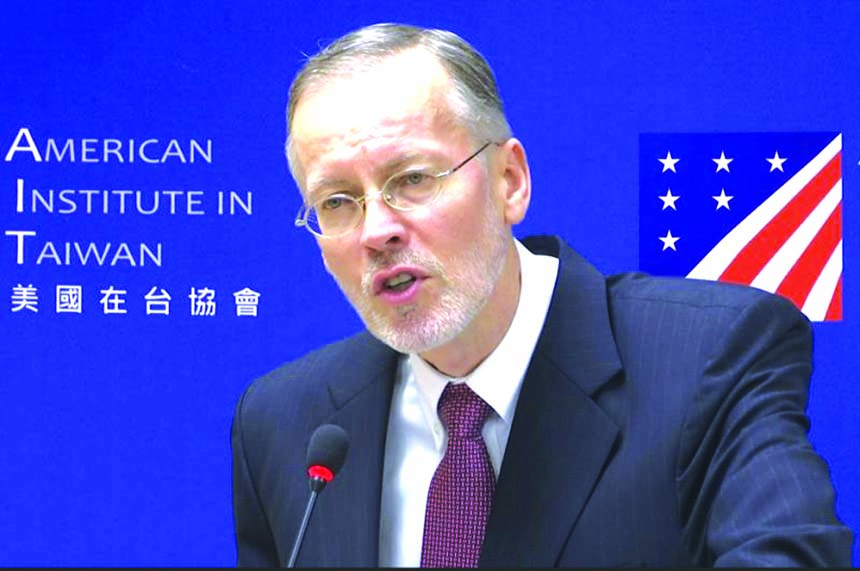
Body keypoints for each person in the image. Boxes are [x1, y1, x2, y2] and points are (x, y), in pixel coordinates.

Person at [230, 22, 854, 567]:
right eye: (337, 202)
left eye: (412, 179)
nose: (375, 230)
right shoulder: (283, 423)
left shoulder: (708, 358)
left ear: (510, 182)